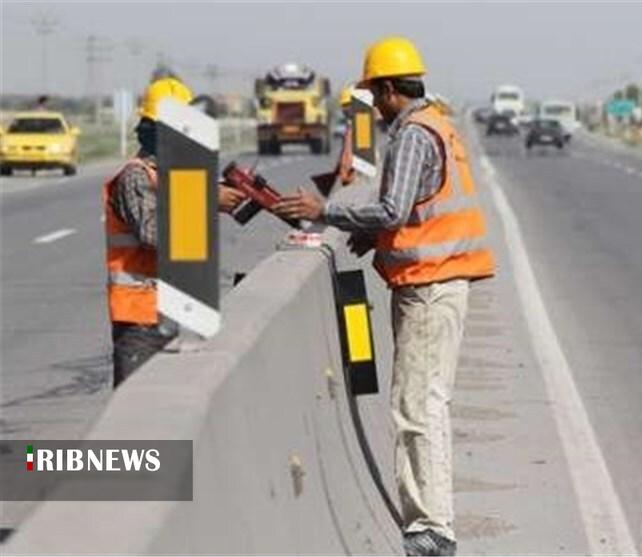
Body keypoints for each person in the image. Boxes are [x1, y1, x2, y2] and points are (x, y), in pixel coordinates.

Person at [273, 37, 495, 556]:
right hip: (437, 283)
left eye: (376, 93)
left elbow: (394, 209)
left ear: (391, 89)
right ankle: (434, 522)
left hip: (428, 288)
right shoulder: (436, 123)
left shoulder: (415, 134)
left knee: (417, 408)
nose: (375, 103)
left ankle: (432, 529)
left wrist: (324, 210)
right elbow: (415, 208)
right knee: (425, 404)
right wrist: (375, 235)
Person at [104, 76, 245, 388]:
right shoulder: (136, 177)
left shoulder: (176, 178)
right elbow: (154, 235)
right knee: (136, 416)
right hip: (141, 317)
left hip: (178, 313)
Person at [336, 84, 356, 186]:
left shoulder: (360, 126)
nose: (346, 110)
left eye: (349, 106)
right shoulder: (350, 125)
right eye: (344, 107)